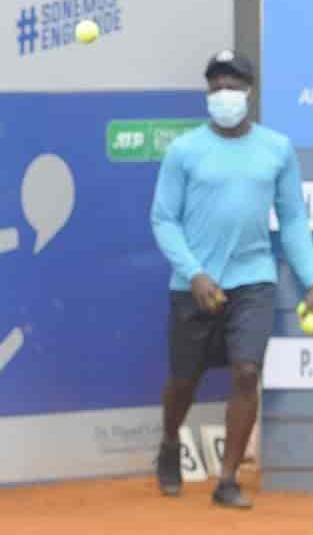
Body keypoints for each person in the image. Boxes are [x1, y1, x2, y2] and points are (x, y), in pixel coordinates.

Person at [151, 49, 313, 509]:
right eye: (216, 85)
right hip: (194, 285)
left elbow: (294, 220)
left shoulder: (276, 149)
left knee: (246, 373)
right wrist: (195, 273)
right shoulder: (184, 151)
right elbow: (164, 219)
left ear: (250, 92)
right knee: (184, 380)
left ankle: (226, 481)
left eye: (233, 85)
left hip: (254, 280)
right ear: (208, 93)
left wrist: (310, 277)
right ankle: (168, 445)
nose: (225, 93)